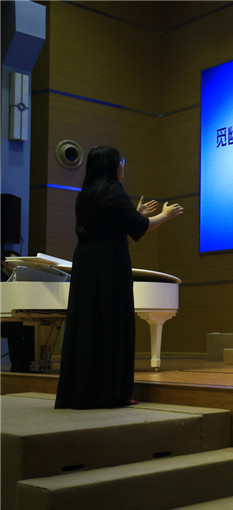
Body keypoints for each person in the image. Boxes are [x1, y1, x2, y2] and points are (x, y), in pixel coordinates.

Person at [55, 146, 183, 409]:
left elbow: (111, 224)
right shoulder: (113, 190)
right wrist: (165, 215)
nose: (123, 165)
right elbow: (141, 228)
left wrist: (136, 214)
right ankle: (112, 394)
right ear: (111, 166)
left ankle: (81, 393)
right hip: (109, 265)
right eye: (120, 161)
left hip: (86, 264)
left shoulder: (86, 194)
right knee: (111, 324)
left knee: (88, 325)